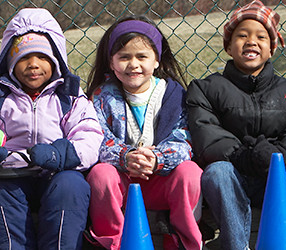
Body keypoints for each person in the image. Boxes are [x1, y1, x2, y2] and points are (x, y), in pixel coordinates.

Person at [185, 0, 286, 248]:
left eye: (261, 37)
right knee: (217, 173)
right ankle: (236, 245)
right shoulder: (205, 89)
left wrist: (283, 154)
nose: (251, 41)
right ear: (228, 46)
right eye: (242, 35)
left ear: (272, 49)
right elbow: (206, 131)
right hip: (234, 173)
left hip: (280, 173)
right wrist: (242, 155)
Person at [0, 8, 103, 250]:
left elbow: (88, 136)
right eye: (24, 58)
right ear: (10, 62)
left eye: (42, 57)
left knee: (73, 186)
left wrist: (61, 155)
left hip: (57, 174)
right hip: (9, 175)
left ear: (57, 60)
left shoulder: (69, 96)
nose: (33, 65)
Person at [84, 15, 202, 250]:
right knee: (100, 175)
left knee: (190, 172)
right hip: (122, 182)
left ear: (157, 60)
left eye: (142, 56)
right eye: (124, 57)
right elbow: (97, 138)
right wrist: (125, 157)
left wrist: (158, 159)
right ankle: (112, 241)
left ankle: (182, 240)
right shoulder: (101, 96)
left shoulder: (174, 94)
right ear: (111, 62)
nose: (133, 64)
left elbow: (184, 138)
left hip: (161, 181)